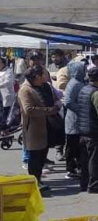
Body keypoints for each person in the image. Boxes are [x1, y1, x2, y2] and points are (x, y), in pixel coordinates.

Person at [19, 66, 59, 195]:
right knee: (35, 158)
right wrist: (49, 110)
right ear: (36, 76)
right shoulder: (25, 89)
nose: (45, 77)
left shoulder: (39, 87)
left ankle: (38, 181)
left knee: (41, 156)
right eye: (43, 75)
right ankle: (34, 183)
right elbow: (28, 110)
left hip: (42, 128)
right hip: (32, 129)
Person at [75, 66, 98, 193]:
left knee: (85, 161)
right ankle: (95, 185)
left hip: (83, 130)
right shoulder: (97, 93)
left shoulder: (84, 89)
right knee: (95, 160)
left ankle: (84, 183)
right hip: (94, 132)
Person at [62, 61, 87, 180]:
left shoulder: (80, 82)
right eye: (83, 69)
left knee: (78, 146)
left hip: (79, 120)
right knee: (72, 146)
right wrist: (80, 110)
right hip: (73, 119)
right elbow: (67, 101)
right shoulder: (74, 84)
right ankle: (70, 169)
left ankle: (79, 167)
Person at [0, 57, 16, 127]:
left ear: (3, 63)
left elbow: (8, 82)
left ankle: (6, 126)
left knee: (6, 111)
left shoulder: (8, 71)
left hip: (7, 95)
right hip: (0, 96)